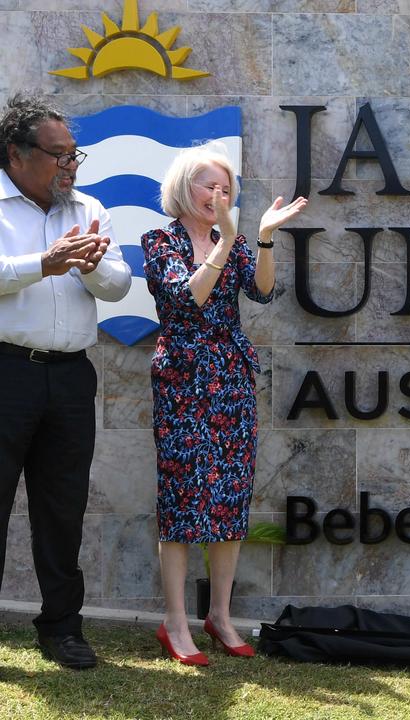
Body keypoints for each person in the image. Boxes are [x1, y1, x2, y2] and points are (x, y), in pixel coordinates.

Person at [142, 143, 306, 665]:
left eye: (226, 187)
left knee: (230, 495)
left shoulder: (230, 239)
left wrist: (260, 239)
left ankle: (219, 615)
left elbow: (261, 292)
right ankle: (174, 623)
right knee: (183, 495)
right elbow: (186, 297)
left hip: (230, 374)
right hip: (182, 377)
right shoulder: (159, 239)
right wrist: (226, 243)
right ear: (183, 188)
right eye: (209, 185)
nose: (219, 194)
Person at [0, 93, 130, 670]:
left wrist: (91, 263)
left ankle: (62, 628)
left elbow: (120, 284)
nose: (71, 167)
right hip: (5, 372)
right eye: (59, 156)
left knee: (63, 507)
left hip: (71, 379)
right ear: (16, 154)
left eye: (75, 155)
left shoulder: (88, 207)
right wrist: (43, 264)